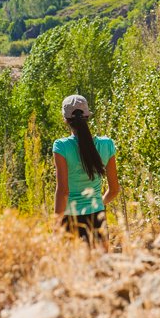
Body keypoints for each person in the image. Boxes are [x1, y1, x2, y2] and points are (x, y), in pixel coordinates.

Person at [53, 94, 120, 249]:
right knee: (101, 270)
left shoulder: (61, 147)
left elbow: (63, 191)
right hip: (97, 216)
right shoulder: (107, 144)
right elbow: (114, 190)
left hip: (70, 219)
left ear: (65, 119)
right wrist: (97, 202)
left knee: (75, 271)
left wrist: (56, 225)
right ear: (88, 115)